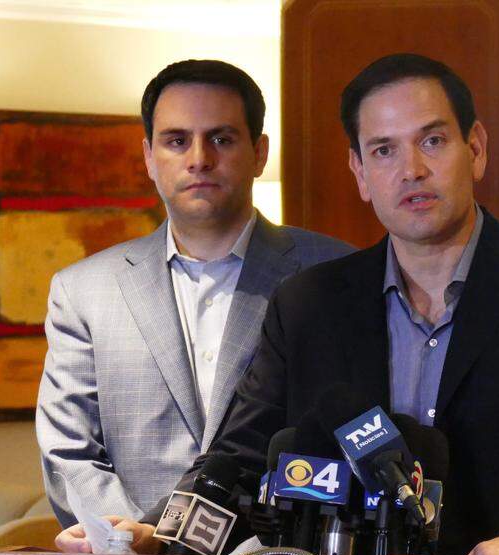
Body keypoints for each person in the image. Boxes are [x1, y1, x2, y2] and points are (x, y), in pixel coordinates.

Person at [56, 54, 499, 555]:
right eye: (383, 150)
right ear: (360, 172)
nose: (411, 169)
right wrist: (160, 537)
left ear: (475, 148)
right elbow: (240, 461)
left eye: (432, 141)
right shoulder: (309, 303)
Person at [38, 59, 353, 527]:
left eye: (221, 139)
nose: (199, 158)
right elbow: (69, 453)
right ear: (149, 156)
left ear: (259, 153)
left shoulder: (335, 273)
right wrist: (137, 541)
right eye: (177, 140)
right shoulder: (83, 291)